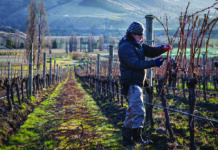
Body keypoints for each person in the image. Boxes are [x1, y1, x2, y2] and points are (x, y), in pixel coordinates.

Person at [118, 21, 171, 146]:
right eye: (139, 35)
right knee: (139, 111)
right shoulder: (126, 47)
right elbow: (136, 64)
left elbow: (151, 51)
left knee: (131, 112)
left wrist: (163, 48)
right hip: (131, 84)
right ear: (132, 34)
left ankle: (126, 139)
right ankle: (137, 139)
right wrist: (154, 63)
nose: (141, 37)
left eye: (142, 35)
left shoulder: (137, 44)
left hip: (136, 83)